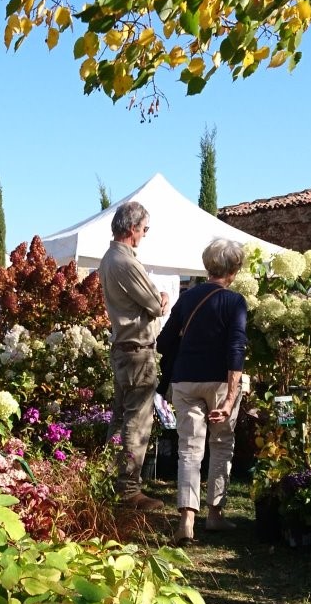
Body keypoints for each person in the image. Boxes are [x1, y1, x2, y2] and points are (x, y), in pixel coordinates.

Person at [158, 239, 250, 544]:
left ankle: (186, 521)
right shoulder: (234, 301)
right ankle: (214, 515)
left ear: (207, 265)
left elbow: (165, 340)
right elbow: (236, 347)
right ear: (234, 269)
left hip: (185, 380)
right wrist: (230, 396)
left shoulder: (187, 299)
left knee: (189, 448)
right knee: (222, 444)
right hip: (220, 381)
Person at [100, 200, 169, 511]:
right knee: (137, 421)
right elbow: (155, 305)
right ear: (131, 228)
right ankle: (129, 489)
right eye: (144, 228)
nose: (144, 234)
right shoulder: (125, 262)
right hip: (137, 351)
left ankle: (104, 478)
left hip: (122, 348)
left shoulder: (109, 258)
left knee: (119, 418)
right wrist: (164, 297)